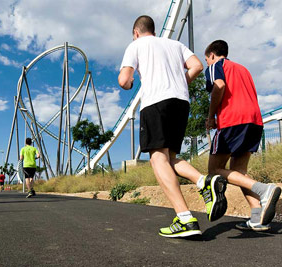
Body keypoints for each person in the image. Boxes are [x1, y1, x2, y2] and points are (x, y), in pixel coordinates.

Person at [118, 15, 227, 238]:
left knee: (157, 158)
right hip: (181, 102)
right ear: (153, 30)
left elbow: (124, 80)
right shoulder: (176, 44)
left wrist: (129, 83)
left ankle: (185, 218)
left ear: (136, 32)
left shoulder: (136, 45)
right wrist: (179, 82)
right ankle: (203, 182)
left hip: (156, 102)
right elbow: (196, 66)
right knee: (169, 158)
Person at [204, 40, 281, 231]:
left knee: (214, 170)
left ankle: (265, 189)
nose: (207, 63)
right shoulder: (243, 69)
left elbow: (219, 86)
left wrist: (211, 116)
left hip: (232, 121)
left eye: (206, 60)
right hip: (254, 121)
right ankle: (257, 217)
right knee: (239, 172)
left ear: (212, 55)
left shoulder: (216, 66)